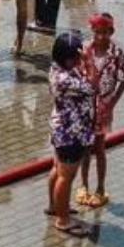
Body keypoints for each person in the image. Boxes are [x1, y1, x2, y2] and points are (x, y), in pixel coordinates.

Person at [44, 31, 98, 234]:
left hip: (62, 129)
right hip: (71, 133)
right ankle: (63, 219)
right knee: (66, 176)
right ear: (68, 59)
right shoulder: (64, 78)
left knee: (58, 170)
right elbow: (92, 87)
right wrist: (90, 64)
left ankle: (55, 206)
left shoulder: (57, 69)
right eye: (76, 56)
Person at [77, 14, 124, 210]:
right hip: (85, 106)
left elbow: (123, 80)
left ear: (111, 32)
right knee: (84, 148)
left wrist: (112, 104)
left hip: (104, 106)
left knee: (99, 148)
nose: (100, 37)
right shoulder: (85, 49)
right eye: (97, 33)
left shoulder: (117, 54)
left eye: (104, 33)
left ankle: (100, 188)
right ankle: (83, 185)